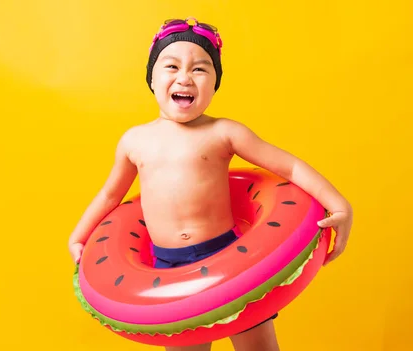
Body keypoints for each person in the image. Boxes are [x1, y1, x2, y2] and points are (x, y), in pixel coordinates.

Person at [67, 17, 353, 351]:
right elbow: (110, 195)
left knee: (258, 346)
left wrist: (338, 204)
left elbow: (287, 165)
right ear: (152, 78)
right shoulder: (134, 141)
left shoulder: (224, 133)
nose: (185, 77)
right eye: (171, 66)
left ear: (215, 82)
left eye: (200, 69)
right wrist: (78, 235)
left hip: (228, 256)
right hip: (167, 269)